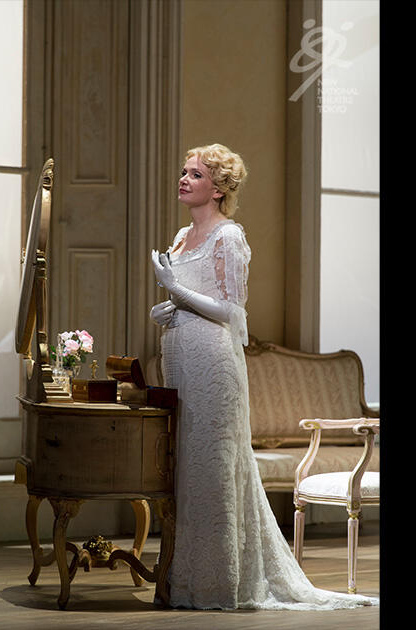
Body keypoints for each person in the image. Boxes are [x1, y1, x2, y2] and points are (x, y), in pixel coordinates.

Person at [150, 143, 378, 611]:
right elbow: (195, 297)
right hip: (180, 362)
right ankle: (183, 580)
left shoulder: (227, 236)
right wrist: (170, 307)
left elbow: (232, 312)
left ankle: (219, 584)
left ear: (218, 189)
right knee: (185, 470)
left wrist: (176, 291)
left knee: (212, 468)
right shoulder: (181, 236)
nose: (184, 179)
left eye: (195, 174)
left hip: (213, 364)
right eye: (184, 172)